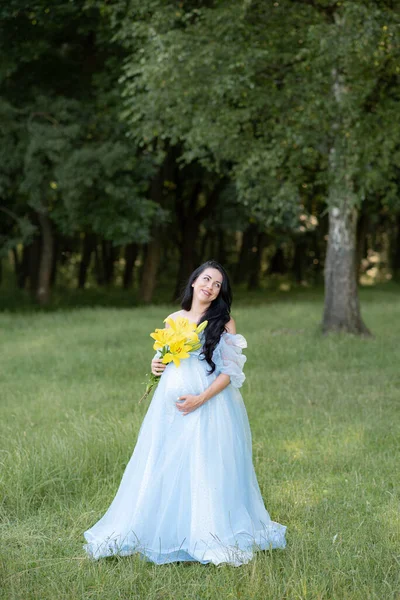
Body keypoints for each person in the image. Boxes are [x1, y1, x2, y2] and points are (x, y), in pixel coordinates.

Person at [84, 260, 286, 566]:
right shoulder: (173, 319)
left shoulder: (224, 321)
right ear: (194, 281)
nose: (210, 286)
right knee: (165, 460)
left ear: (220, 292)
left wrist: (201, 398)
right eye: (206, 279)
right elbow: (163, 357)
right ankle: (165, 527)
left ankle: (207, 532)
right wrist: (155, 365)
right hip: (170, 406)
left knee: (204, 462)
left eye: (217, 284)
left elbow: (229, 372)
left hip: (208, 403)